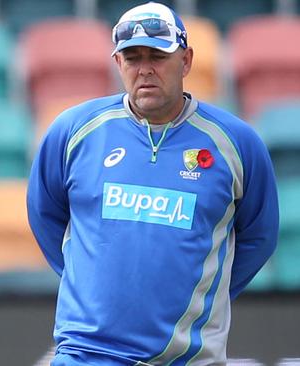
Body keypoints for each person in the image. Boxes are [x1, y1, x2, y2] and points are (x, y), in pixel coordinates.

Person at [26, 2, 279, 365]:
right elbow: (45, 215)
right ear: (117, 64)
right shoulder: (73, 131)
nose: (144, 69)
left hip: (186, 358)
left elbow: (259, 238)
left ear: (187, 60)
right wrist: (93, 287)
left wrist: (201, 294)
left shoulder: (236, 143)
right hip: (85, 354)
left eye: (157, 56)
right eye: (132, 57)